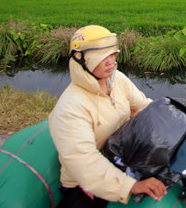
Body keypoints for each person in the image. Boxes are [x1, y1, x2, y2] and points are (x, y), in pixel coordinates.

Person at [49, 25, 167, 207]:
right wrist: (132, 186)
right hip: (84, 182)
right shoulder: (70, 108)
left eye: (112, 54)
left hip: (122, 157)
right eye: (102, 57)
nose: (110, 61)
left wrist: (179, 125)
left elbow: (143, 107)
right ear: (82, 61)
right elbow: (85, 163)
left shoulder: (116, 79)